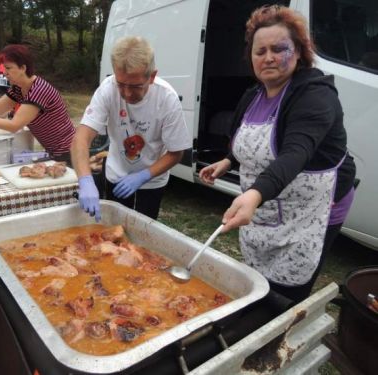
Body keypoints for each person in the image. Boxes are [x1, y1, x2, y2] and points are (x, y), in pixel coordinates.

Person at [199, 5, 356, 303]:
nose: (268, 57)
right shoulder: (253, 94)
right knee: (256, 279)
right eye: (260, 51)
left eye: (278, 48)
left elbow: (296, 153)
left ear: (298, 51)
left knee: (284, 296)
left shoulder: (315, 95)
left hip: (311, 212)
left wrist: (255, 194)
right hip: (266, 205)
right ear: (251, 58)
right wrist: (229, 160)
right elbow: (243, 141)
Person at [71, 36, 192, 222]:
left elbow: (177, 153)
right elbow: (81, 138)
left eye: (135, 86)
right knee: (112, 231)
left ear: (152, 76)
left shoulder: (167, 99)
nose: (127, 93)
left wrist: (144, 175)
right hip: (115, 174)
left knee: (142, 237)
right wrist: (85, 179)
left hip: (152, 181)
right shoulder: (107, 90)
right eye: (121, 84)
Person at [0, 44, 75, 160]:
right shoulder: (18, 88)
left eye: (8, 68)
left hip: (69, 150)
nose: (4, 73)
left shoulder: (38, 90)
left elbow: (14, 125)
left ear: (23, 68)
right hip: (55, 151)